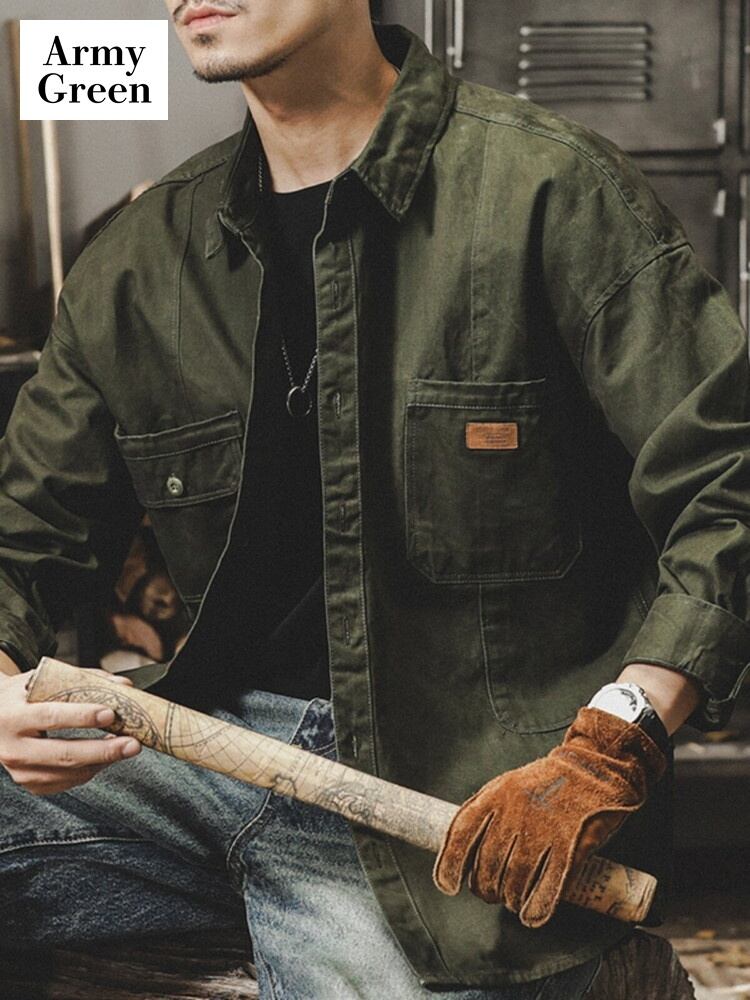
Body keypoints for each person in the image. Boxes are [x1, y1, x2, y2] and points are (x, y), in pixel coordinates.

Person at [0, 1, 745, 996]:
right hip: (198, 760)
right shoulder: (137, 262)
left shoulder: (554, 193)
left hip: (444, 801)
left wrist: (615, 740)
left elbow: (725, 483)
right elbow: (21, 537)